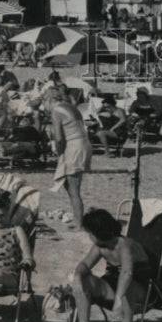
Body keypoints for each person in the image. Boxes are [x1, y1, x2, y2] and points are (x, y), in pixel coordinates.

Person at [71, 208, 151, 322]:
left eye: (90, 233)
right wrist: (77, 275)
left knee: (127, 285)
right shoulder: (100, 246)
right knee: (83, 280)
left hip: (139, 290)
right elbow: (85, 264)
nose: (89, 236)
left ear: (98, 232)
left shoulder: (125, 245)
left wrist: (119, 298)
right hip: (114, 286)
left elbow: (127, 273)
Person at [50, 89, 92, 229]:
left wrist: (58, 153)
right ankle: (77, 219)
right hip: (82, 143)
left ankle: (79, 224)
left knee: (74, 189)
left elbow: (59, 137)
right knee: (70, 186)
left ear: (49, 100)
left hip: (74, 146)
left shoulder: (56, 110)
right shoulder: (70, 107)